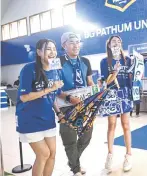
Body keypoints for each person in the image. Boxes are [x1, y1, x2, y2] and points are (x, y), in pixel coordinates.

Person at [16, 39, 64, 176]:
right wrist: (49, 89)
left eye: (54, 49)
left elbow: (54, 96)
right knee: (43, 154)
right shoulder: (29, 69)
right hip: (29, 119)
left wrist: (59, 113)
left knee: (52, 153)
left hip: (48, 119)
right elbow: (24, 97)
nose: (52, 52)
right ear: (39, 52)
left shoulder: (56, 71)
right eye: (48, 49)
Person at [58, 32, 95, 176]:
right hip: (66, 105)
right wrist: (69, 98)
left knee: (87, 135)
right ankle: (76, 169)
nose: (76, 45)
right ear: (64, 45)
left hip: (85, 104)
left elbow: (90, 82)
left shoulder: (85, 61)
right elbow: (55, 87)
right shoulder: (58, 62)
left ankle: (73, 161)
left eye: (78, 42)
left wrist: (95, 93)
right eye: (72, 42)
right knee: (70, 139)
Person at [100, 35, 133, 173]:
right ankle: (110, 154)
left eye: (119, 41)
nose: (116, 43)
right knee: (111, 124)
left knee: (126, 124)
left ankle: (128, 155)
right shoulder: (104, 61)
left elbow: (132, 78)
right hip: (111, 94)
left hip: (125, 93)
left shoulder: (128, 60)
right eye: (114, 41)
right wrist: (115, 72)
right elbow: (106, 82)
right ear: (109, 45)